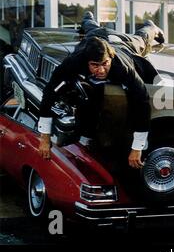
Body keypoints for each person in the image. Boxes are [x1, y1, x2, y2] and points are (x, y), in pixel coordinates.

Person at [38, 13, 164, 171]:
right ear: (86, 62)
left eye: (105, 64)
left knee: (142, 38)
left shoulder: (122, 68)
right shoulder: (74, 62)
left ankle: (151, 26)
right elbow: (50, 93)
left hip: (123, 45)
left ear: (110, 59)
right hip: (96, 36)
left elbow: (143, 102)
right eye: (95, 65)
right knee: (90, 26)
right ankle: (87, 17)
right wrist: (44, 136)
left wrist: (137, 147)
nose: (101, 70)